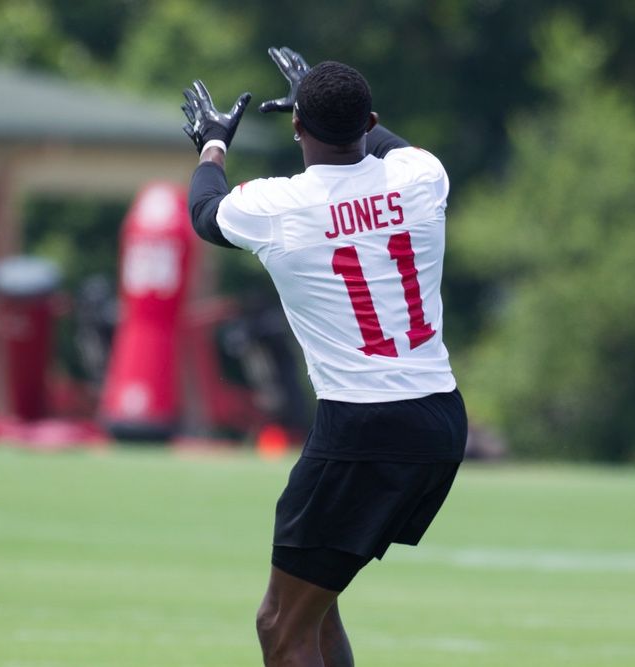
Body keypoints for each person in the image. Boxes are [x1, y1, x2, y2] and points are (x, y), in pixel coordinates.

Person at [181, 47, 468, 667]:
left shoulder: (279, 206)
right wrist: (324, 94)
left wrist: (212, 145)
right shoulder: (422, 177)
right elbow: (388, 145)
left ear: (295, 127)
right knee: (316, 610)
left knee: (280, 624)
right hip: (439, 418)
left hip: (364, 425)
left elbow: (205, 212)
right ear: (369, 121)